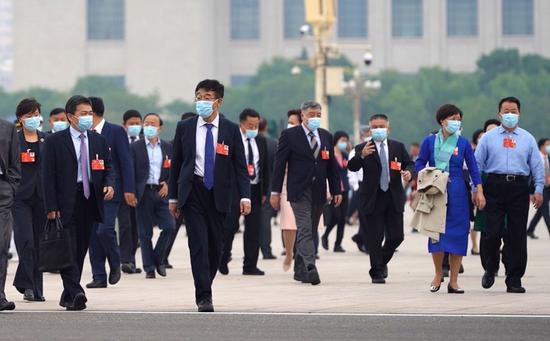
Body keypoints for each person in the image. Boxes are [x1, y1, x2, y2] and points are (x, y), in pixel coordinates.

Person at [168, 79, 251, 312]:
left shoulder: (231, 129)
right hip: (192, 191)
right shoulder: (184, 127)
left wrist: (245, 197)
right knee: (199, 245)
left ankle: (207, 282)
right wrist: (173, 198)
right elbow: (176, 165)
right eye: (198, 97)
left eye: (207, 97)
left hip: (220, 194)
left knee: (216, 247)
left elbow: (240, 167)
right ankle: (204, 295)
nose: (201, 102)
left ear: (218, 102)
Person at [42, 95, 115, 310]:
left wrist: (109, 184)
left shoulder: (98, 140)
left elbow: (107, 166)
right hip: (65, 201)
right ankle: (76, 291)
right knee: (68, 248)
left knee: (81, 248)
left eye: (90, 113)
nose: (88, 117)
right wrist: (51, 207)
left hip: (89, 199)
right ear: (70, 117)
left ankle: (68, 295)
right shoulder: (55, 141)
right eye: (83, 113)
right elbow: (47, 176)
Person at [475, 96, 544, 294]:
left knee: (516, 235)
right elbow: (477, 165)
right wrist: (476, 189)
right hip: (493, 187)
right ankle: (491, 266)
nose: (510, 115)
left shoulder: (528, 139)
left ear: (519, 113)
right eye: (506, 111)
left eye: (513, 111)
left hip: (518, 188)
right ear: (499, 114)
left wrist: (538, 189)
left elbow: (536, 167)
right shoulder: (488, 138)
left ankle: (514, 278)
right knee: (492, 232)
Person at [271, 101, 342, 285]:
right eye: (311, 114)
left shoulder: (326, 136)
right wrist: (275, 191)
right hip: (298, 190)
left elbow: (332, 166)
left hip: (319, 190)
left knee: (310, 229)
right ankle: (311, 266)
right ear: (302, 115)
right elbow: (279, 165)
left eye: (318, 114)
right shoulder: (289, 135)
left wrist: (336, 189)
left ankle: (299, 270)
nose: (315, 118)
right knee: (303, 227)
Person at [415, 104, 484, 293]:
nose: (456, 122)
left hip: (458, 193)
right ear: (442, 120)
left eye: (459, 119)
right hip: (436, 192)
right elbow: (420, 162)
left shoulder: (462, 143)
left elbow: (473, 168)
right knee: (436, 233)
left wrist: (479, 190)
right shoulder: (429, 142)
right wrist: (425, 175)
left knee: (459, 234)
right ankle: (438, 273)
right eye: (452, 118)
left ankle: (454, 280)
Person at [347, 114, 414, 284]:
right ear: (370, 129)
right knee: (375, 238)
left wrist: (409, 173)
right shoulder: (363, 147)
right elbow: (352, 166)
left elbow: (410, 163)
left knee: (396, 236)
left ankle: (381, 262)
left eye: (381, 126)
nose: (378, 129)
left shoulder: (397, 147)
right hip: (373, 198)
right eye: (374, 127)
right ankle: (376, 272)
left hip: (393, 197)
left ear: (388, 128)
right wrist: (361, 155)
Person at [86, 97, 137, 289]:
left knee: (105, 229)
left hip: (111, 191)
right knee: (92, 235)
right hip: (88, 192)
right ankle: (98, 275)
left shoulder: (115, 131)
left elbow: (125, 161)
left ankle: (115, 262)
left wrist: (129, 189)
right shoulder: (83, 133)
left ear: (92, 112)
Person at [220, 108, 270, 276]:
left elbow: (265, 168)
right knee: (230, 226)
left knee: (254, 229)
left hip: (255, 190)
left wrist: (265, 192)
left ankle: (250, 265)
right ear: (241, 123)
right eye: (250, 125)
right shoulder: (232, 139)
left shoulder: (261, 141)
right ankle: (223, 258)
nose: (253, 128)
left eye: (256, 125)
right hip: (235, 190)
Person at [12, 98, 47, 302]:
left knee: (40, 244)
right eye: (29, 116)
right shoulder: (14, 140)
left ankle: (33, 287)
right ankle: (29, 286)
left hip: (43, 198)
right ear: (20, 119)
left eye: (36, 115)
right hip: (20, 198)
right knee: (26, 242)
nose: (34, 119)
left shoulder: (47, 140)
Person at [132, 113, 175, 279]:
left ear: (160, 128)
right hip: (143, 193)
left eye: (153, 123)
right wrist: (131, 192)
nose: (149, 126)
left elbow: (174, 169)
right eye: (146, 123)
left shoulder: (167, 147)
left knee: (170, 226)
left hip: (161, 192)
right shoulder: (135, 147)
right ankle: (149, 267)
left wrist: (168, 183)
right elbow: (130, 172)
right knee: (145, 233)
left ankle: (158, 258)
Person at [163, 111, 196, 269]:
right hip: (176, 191)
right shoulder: (171, 145)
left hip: (194, 192)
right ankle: (163, 256)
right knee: (172, 227)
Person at [118, 109, 143, 274]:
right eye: (131, 124)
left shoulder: (145, 142)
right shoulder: (121, 142)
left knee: (136, 227)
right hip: (123, 191)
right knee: (125, 225)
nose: (134, 126)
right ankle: (125, 260)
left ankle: (131, 259)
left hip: (141, 192)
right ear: (124, 125)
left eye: (137, 124)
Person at [277, 109, 302, 271]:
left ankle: (302, 255)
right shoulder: (285, 139)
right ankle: (289, 253)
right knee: (288, 223)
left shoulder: (312, 140)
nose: (290, 125)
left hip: (305, 186)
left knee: (304, 225)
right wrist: (274, 191)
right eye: (289, 122)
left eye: (293, 123)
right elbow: (278, 166)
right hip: (287, 185)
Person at [0, 118, 21, 311]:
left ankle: (0, 295)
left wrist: (10, 187)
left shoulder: (7, 128)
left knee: (2, 244)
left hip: (2, 191)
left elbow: (15, 163)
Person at [322, 131, 350, 253]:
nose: (344, 142)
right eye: (342, 140)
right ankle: (325, 235)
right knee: (336, 216)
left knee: (343, 218)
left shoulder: (345, 154)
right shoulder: (329, 152)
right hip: (334, 190)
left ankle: (338, 244)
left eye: (346, 140)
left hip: (345, 189)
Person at [348, 125, 371, 252]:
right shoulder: (356, 150)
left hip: (373, 186)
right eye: (366, 133)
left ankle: (360, 238)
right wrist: (356, 187)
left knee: (371, 216)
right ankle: (366, 243)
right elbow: (351, 171)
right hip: (361, 186)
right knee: (363, 216)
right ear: (362, 135)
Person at [258, 117, 278, 260]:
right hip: (268, 186)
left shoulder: (244, 141)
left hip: (248, 186)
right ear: (265, 128)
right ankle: (266, 250)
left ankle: (225, 252)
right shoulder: (273, 143)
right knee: (265, 220)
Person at [526, 138, 550, 239]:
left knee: (540, 211)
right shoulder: (535, 158)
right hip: (539, 187)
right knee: (545, 211)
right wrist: (531, 192)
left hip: (548, 187)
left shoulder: (548, 157)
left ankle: (530, 230)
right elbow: (531, 176)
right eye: (547, 145)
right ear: (541, 146)